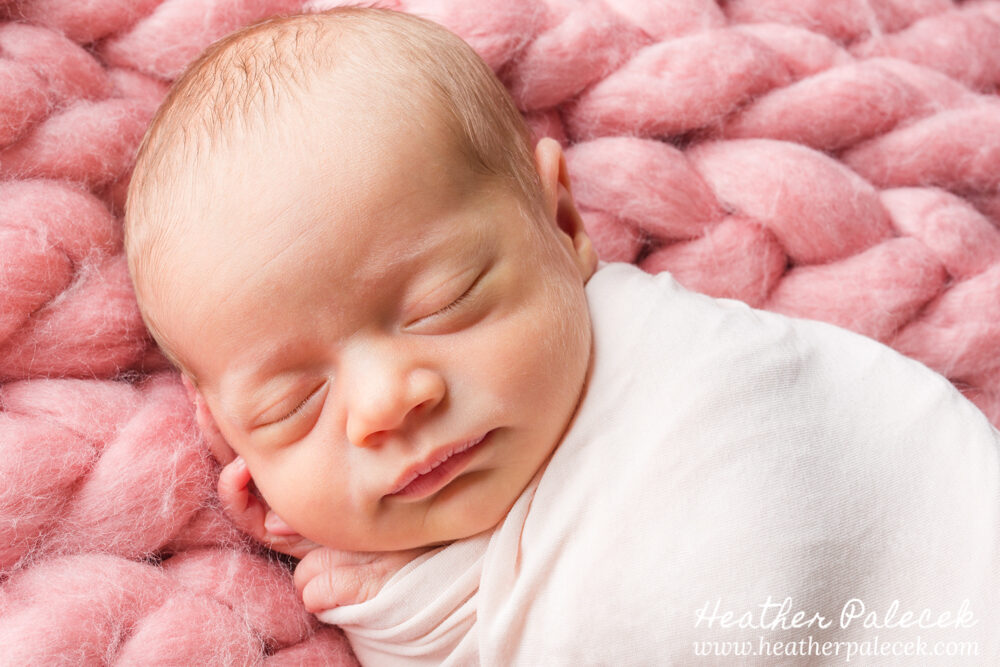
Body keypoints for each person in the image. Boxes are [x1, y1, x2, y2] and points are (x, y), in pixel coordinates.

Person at [125, 7, 1000, 665]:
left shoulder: (684, 374)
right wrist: (380, 581)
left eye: (444, 300)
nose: (389, 400)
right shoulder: (397, 560)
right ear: (235, 446)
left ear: (562, 220)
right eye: (293, 404)